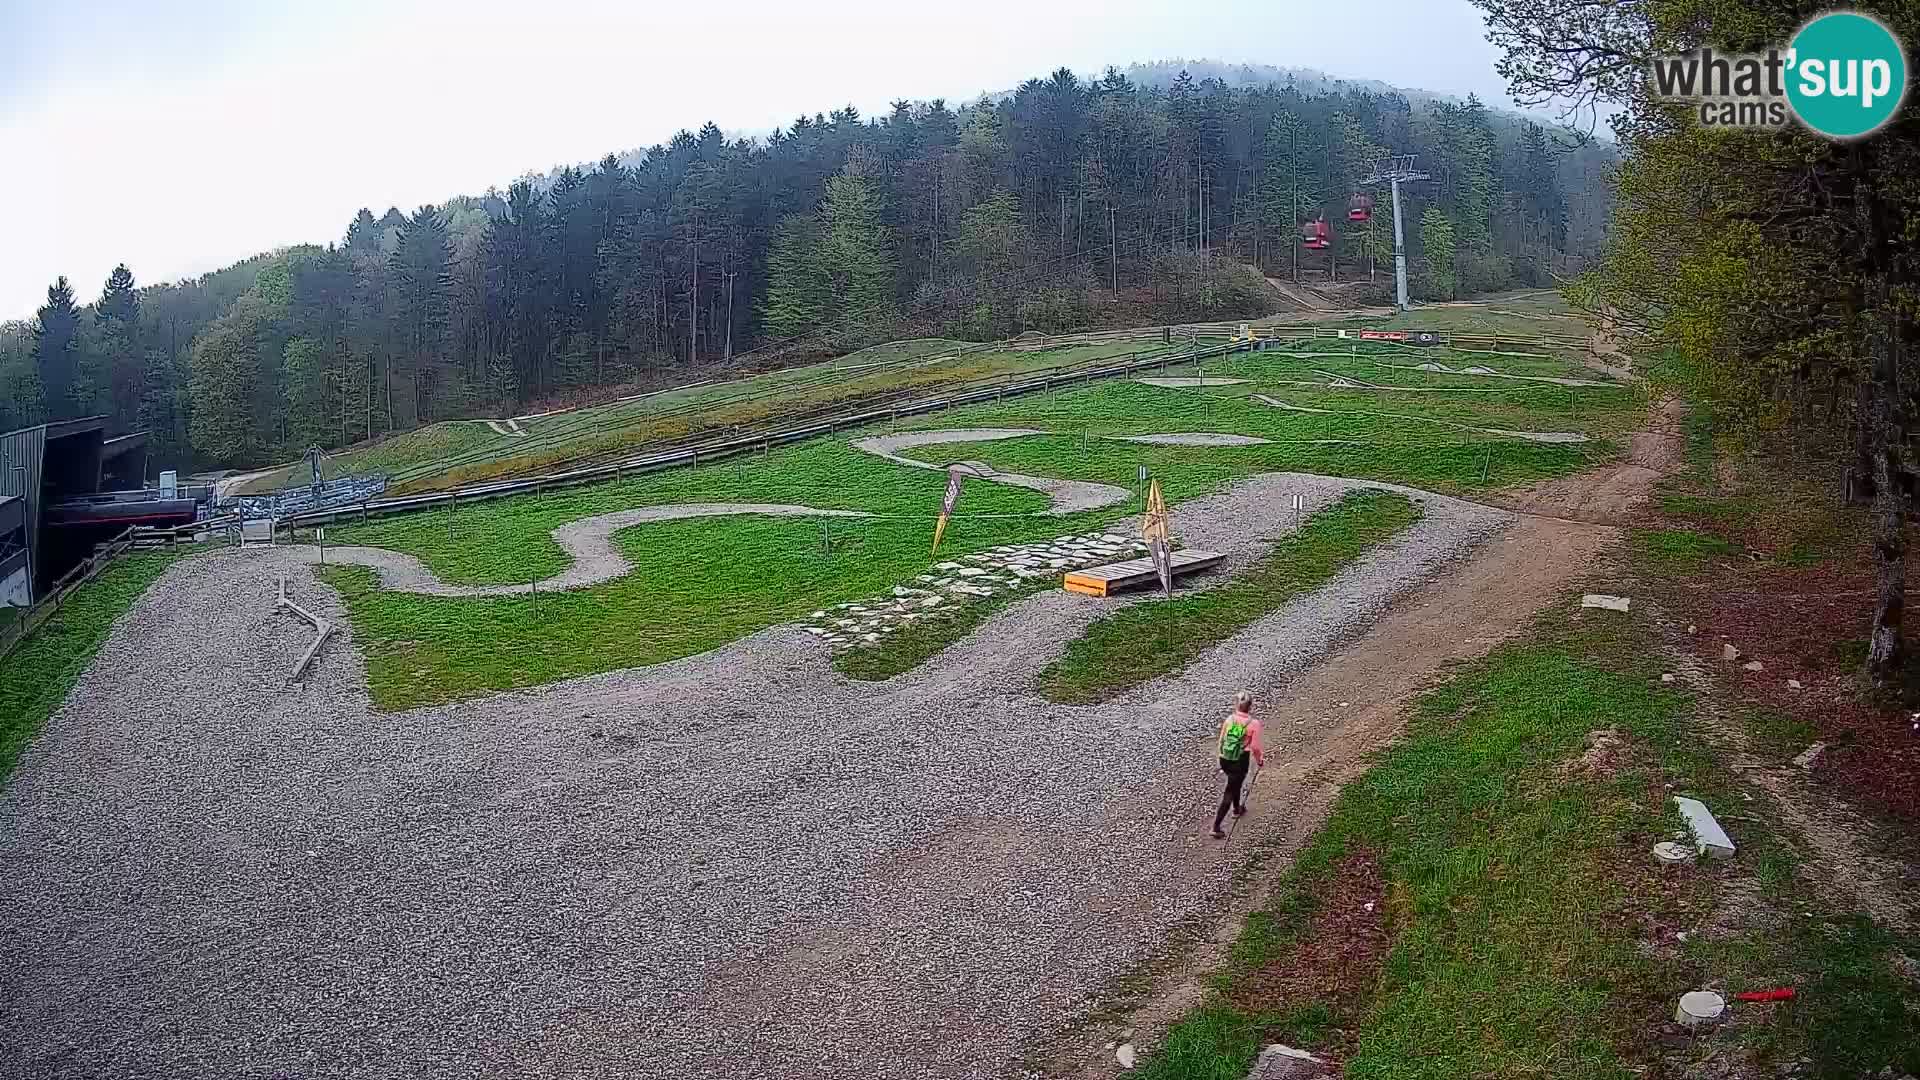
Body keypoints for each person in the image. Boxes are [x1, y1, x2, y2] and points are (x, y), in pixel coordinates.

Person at [1211, 691, 1265, 839]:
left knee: (1234, 783)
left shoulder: (1229, 719)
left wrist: (1222, 756)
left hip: (1225, 758)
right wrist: (1259, 759)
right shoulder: (1253, 724)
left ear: (1237, 705)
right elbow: (1254, 747)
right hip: (1240, 760)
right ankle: (1216, 827)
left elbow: (1221, 739)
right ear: (1250, 706)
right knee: (1230, 790)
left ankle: (1237, 808)